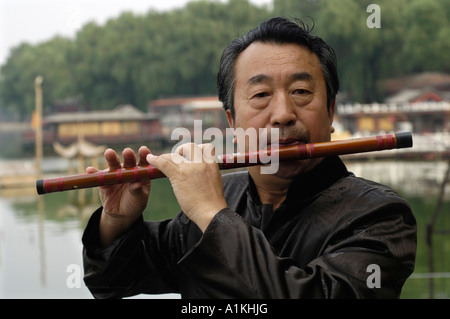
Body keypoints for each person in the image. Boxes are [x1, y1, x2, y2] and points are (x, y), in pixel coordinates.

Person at [82, 17, 416, 298]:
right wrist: (116, 221)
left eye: (301, 91)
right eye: (260, 95)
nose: (283, 114)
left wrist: (213, 216)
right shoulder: (221, 197)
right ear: (232, 122)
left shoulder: (379, 216)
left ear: (330, 113)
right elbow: (112, 282)